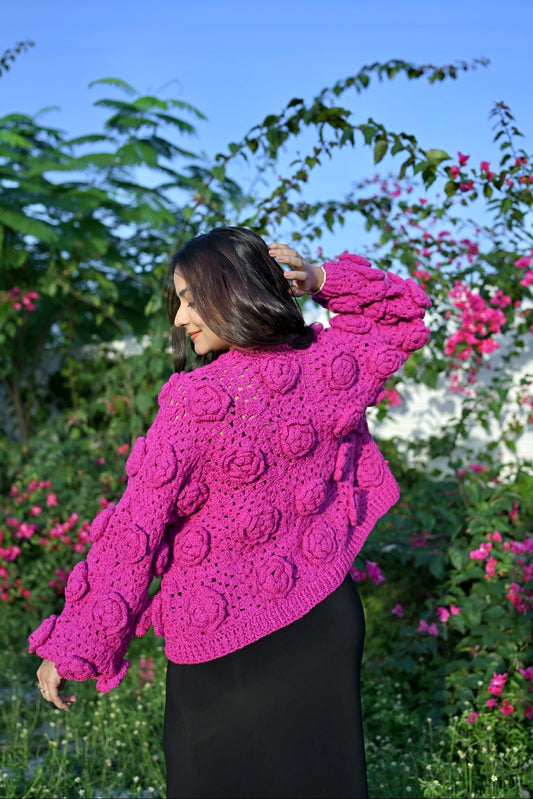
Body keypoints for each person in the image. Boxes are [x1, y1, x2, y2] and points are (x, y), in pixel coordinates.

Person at [30, 227, 431, 799]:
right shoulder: (328, 365)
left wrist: (75, 642)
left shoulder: (196, 401)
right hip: (326, 619)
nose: (179, 318)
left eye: (191, 299)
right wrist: (322, 279)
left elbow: (135, 530)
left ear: (234, 289)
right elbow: (404, 311)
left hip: (227, 642)